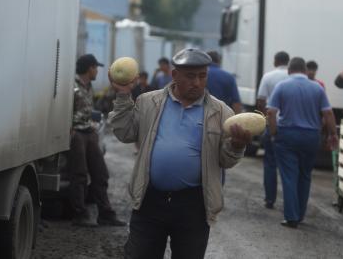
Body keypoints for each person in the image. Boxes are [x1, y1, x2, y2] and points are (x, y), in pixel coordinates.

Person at [108, 48, 251, 258]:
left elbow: (225, 160)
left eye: (202, 76)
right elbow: (125, 133)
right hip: (150, 201)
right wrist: (122, 95)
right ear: (174, 75)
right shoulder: (149, 102)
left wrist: (237, 146)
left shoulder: (221, 113)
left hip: (194, 206)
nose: (197, 83)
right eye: (190, 76)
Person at [267, 57, 338, 228]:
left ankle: (291, 217)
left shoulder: (282, 86)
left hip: (288, 135)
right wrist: (332, 134)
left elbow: (271, 112)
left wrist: (274, 133)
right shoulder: (317, 88)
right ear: (305, 70)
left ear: (289, 70)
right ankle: (300, 215)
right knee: (305, 176)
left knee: (289, 176)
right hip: (311, 137)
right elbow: (328, 114)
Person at [68, 54, 126, 227]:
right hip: (76, 134)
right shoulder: (72, 86)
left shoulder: (88, 86)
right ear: (89, 68)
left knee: (100, 173)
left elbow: (93, 108)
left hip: (89, 132)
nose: (97, 71)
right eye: (96, 67)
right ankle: (79, 215)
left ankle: (105, 214)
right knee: (79, 174)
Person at [256, 51, 290, 209]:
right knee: (289, 165)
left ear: (276, 61)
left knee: (270, 163)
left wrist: (264, 120)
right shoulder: (292, 77)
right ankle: (290, 201)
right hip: (289, 126)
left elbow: (261, 100)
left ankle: (270, 199)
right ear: (288, 62)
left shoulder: (268, 76)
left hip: (272, 123)